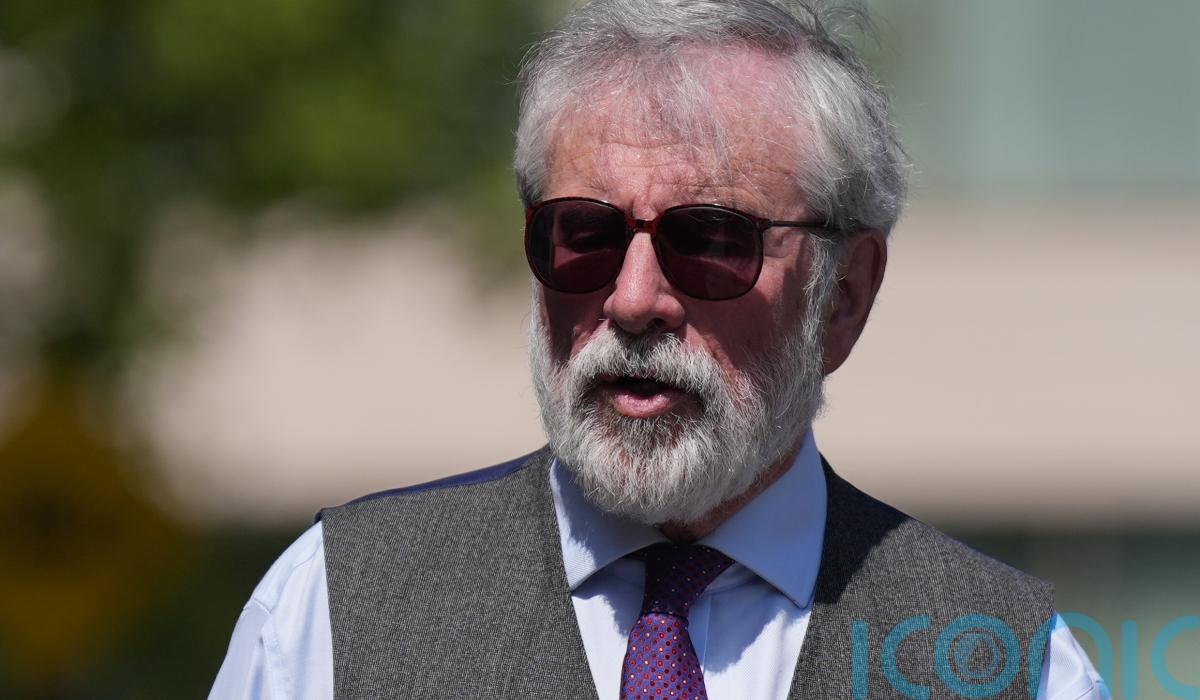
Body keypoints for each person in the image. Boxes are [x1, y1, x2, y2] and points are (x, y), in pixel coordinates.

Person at [211, 1, 1107, 698]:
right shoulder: (333, 610)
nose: (634, 299)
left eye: (710, 241)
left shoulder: (1008, 663)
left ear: (842, 295)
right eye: (584, 235)